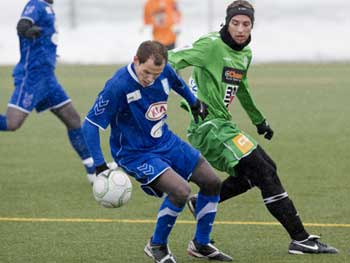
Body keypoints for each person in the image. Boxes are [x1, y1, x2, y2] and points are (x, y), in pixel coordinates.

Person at [168, 0, 338, 255]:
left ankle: (199, 204)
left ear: (252, 26)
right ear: (227, 22)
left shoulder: (245, 54)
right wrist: (190, 99)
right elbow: (169, 60)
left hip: (224, 126)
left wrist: (260, 121)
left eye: (246, 24)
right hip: (208, 128)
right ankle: (300, 238)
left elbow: (242, 89)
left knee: (258, 173)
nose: (240, 29)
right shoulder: (210, 45)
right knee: (263, 170)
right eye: (235, 23)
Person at [82, 40, 232, 262]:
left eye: (156, 74)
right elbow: (90, 124)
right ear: (136, 60)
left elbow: (177, 83)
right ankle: (156, 245)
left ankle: (201, 243)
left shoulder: (164, 71)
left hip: (166, 141)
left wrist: (194, 103)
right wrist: (100, 165)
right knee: (180, 191)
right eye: (146, 72)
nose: (150, 78)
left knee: (212, 182)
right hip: (135, 153)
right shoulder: (118, 85)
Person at [0, 0, 95, 183]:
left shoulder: (47, 7)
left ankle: (93, 169)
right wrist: (29, 31)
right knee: (12, 123)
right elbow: (22, 25)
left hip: (48, 78)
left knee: (72, 118)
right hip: (32, 77)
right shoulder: (35, 4)